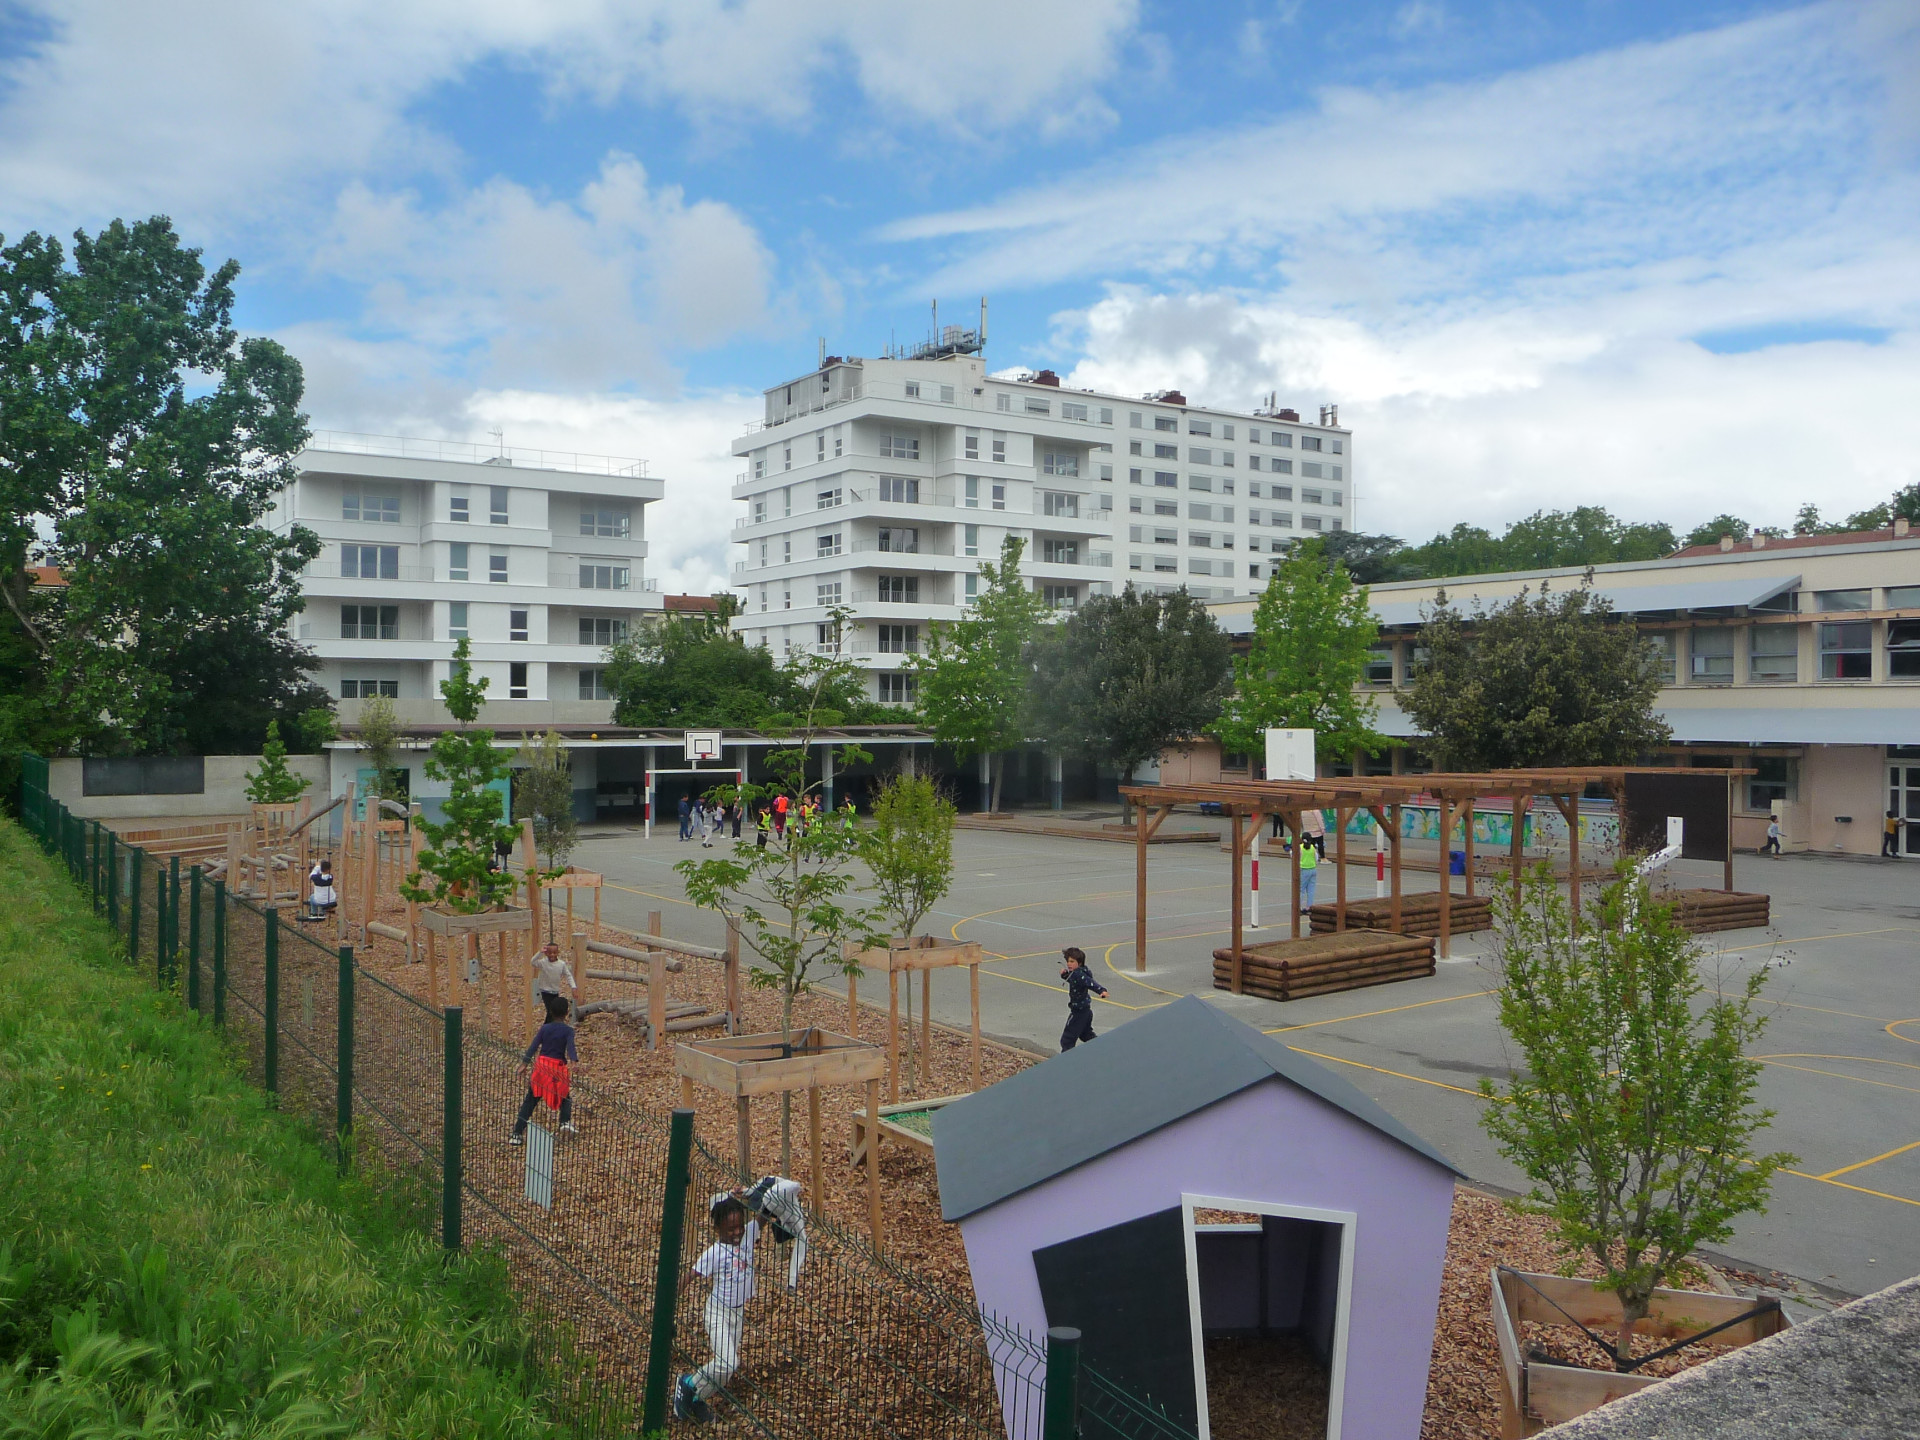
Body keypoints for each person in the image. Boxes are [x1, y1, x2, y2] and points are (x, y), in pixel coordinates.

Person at [676, 1192, 758, 1423]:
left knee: (727, 1369)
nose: (737, 1232)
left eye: (739, 1226)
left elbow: (764, 1214)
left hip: (737, 1313)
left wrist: (753, 1194)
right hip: (718, 1313)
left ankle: (695, 1399)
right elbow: (692, 1274)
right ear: (718, 1229)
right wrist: (672, 1298)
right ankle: (688, 1383)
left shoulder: (748, 1236)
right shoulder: (714, 1252)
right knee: (728, 1362)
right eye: (730, 1229)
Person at [511, 993, 577, 1144]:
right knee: (565, 1097)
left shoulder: (545, 1029)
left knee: (531, 1100)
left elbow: (533, 1046)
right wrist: (573, 1061)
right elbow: (571, 1047)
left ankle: (517, 1133)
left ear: (551, 1012)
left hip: (542, 1067)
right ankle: (564, 1123)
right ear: (567, 1013)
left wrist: (524, 1064)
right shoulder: (568, 1031)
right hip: (557, 1069)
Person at [741, 1173, 809, 1289]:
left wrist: (792, 1281)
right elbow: (762, 1185)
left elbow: (803, 1241)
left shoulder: (793, 1216)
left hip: (775, 1197)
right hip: (774, 1194)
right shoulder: (793, 1216)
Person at [1058, 946, 1107, 1051]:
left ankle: (1066, 1061)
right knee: (1086, 1035)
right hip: (1086, 1011)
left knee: (1067, 1040)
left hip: (1079, 1013)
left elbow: (1090, 983)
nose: (1068, 964)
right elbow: (1072, 980)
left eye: (1072, 961)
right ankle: (1102, 1048)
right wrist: (1064, 975)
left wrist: (1101, 990)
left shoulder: (1079, 975)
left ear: (1079, 963)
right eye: (1068, 961)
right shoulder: (1078, 973)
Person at [528, 939, 578, 1015]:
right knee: (550, 1011)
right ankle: (548, 1026)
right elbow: (532, 962)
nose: (552, 955)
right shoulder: (543, 962)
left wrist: (573, 987)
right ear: (546, 953)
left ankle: (548, 1025)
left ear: (558, 953)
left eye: (554, 953)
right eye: (549, 953)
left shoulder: (561, 964)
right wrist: (540, 953)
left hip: (555, 991)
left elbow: (568, 975)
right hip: (545, 990)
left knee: (553, 1011)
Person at [1297, 833, 1321, 911]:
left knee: (1301, 889)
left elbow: (1293, 856)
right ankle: (1309, 907)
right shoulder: (1312, 847)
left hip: (1304, 869)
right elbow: (1316, 858)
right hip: (1313, 869)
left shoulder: (1300, 847)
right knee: (1311, 890)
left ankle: (1298, 907)